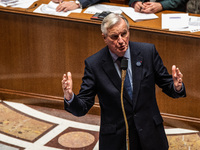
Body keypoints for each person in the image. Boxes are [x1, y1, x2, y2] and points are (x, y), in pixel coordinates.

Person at [61, 13, 186, 150]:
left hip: (151, 135)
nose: (121, 40)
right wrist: (70, 97)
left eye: (124, 34)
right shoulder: (94, 65)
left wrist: (176, 87)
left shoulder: (147, 52)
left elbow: (168, 85)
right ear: (104, 37)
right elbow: (83, 107)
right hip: (117, 139)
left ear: (128, 31)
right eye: (114, 37)